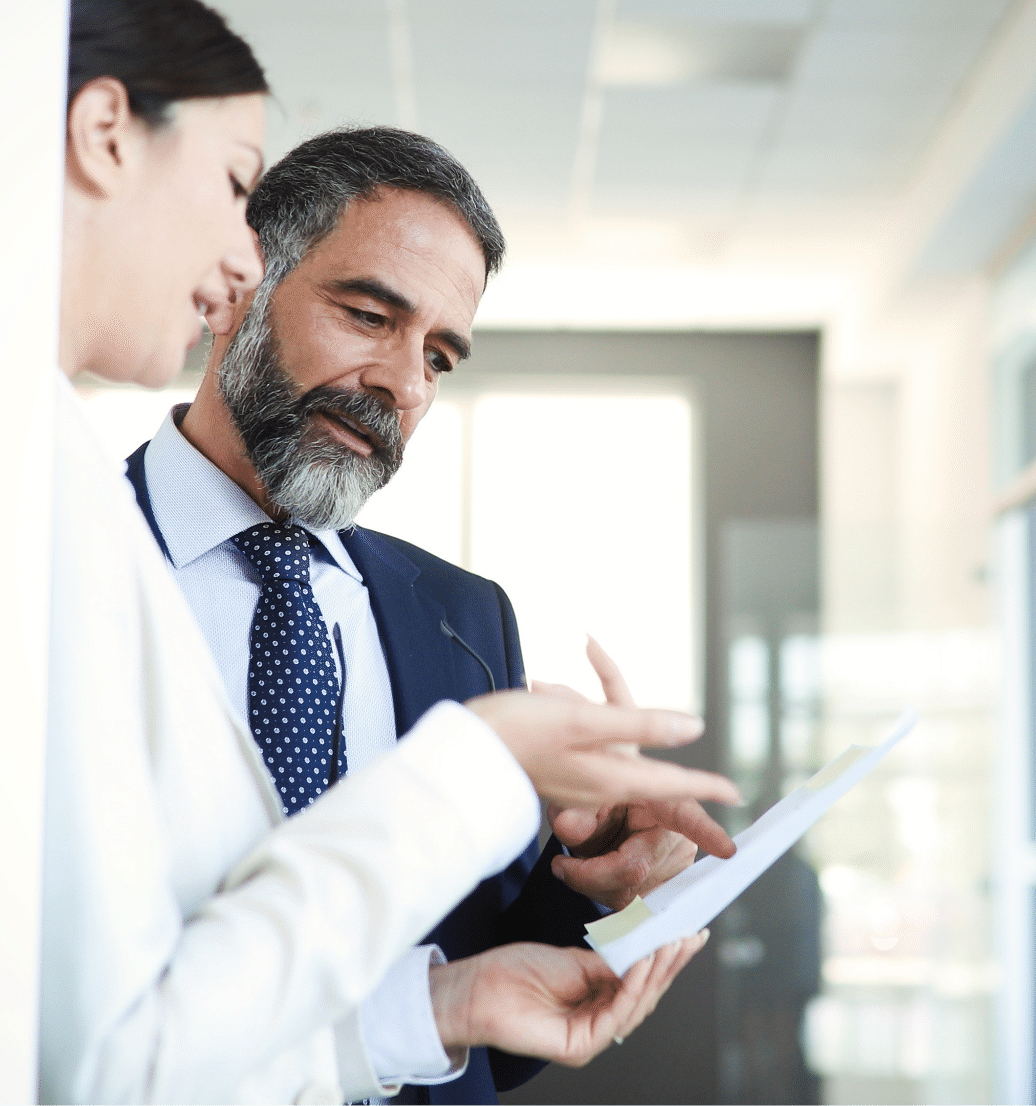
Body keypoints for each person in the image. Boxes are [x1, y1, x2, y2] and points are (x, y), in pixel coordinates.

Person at [0, 4, 736, 1103]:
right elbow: (116, 1057)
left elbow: (164, 1019)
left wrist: (436, 1006)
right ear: (106, 133)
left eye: (440, 355)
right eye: (234, 183)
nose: (235, 249)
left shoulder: (4, 450)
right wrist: (483, 763)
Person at [121, 123, 736, 1103]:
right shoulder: (61, 561)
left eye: (441, 357)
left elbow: (473, 1002)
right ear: (239, 283)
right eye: (369, 315)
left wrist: (589, 875)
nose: (403, 386)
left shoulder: (462, 616)